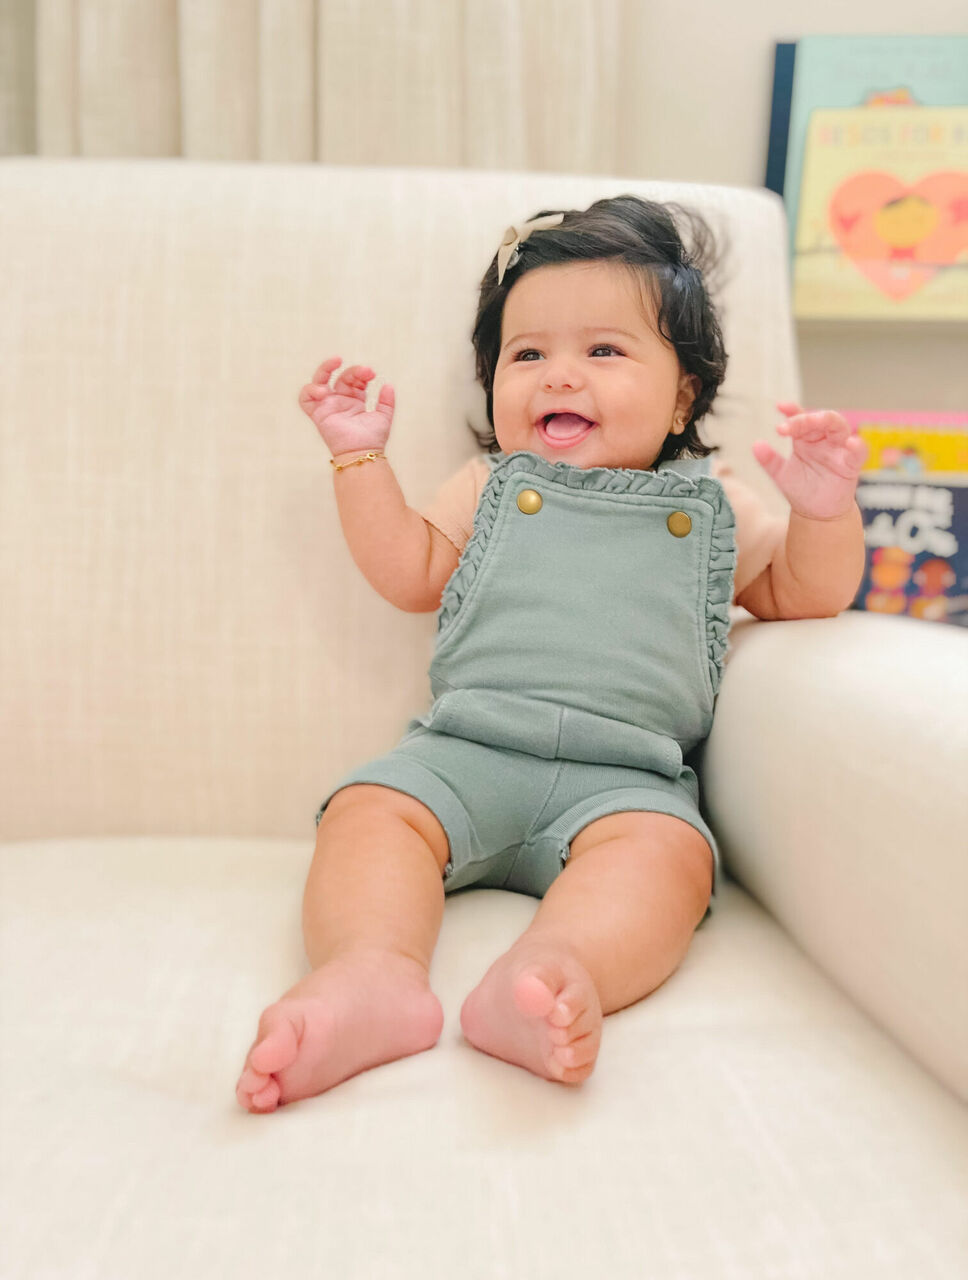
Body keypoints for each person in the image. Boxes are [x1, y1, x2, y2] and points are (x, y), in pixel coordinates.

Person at [236, 195, 868, 1113]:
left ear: (683, 391)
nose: (558, 376)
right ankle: (372, 974)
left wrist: (822, 510)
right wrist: (359, 461)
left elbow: (805, 594)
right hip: (463, 753)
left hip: (628, 782)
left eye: (604, 351)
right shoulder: (492, 485)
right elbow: (410, 571)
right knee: (370, 812)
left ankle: (551, 974)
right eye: (526, 355)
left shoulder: (718, 504)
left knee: (669, 861)